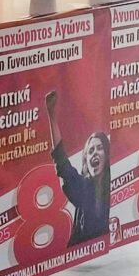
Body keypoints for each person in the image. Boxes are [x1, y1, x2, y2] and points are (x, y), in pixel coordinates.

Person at [45, 90, 110, 246]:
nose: (95, 153)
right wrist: (51, 115)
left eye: (99, 148)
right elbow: (62, 163)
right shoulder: (85, 188)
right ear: (86, 160)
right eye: (90, 151)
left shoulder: (113, 182)